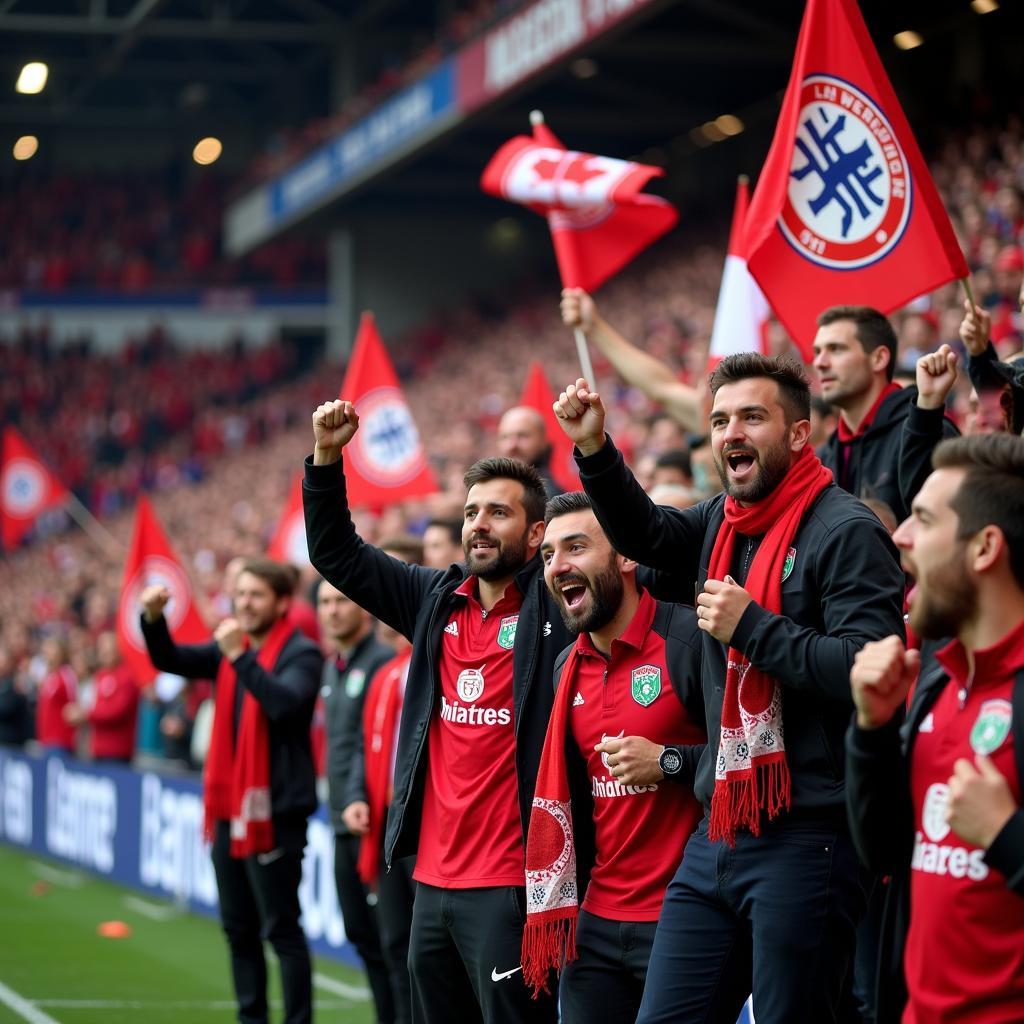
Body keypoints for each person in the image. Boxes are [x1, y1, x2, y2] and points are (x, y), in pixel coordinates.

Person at [553, 354, 905, 1024]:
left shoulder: (847, 530)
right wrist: (595, 448)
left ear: (800, 434)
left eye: (751, 416)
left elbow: (871, 667)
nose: (730, 433)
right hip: (722, 828)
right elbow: (647, 536)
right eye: (719, 420)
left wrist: (756, 629)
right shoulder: (722, 520)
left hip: (810, 835)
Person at [302, 397, 574, 1023]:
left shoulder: (560, 608)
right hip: (431, 882)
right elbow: (336, 555)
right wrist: (325, 460)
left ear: (536, 534)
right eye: (472, 511)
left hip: (512, 886)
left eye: (499, 513)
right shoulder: (433, 598)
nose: (479, 524)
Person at [847, 434, 1024, 1024]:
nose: (899, 536)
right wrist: (870, 733)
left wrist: (1006, 835)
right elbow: (888, 853)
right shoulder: (939, 685)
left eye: (922, 519)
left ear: (984, 549)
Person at [523, 491, 706, 1022]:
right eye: (549, 555)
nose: (559, 567)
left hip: (683, 918)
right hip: (596, 922)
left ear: (626, 556)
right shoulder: (565, 669)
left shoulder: (690, 640)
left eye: (576, 547)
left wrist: (668, 761)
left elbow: (742, 757)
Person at [139, 557, 321, 1024]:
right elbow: (170, 660)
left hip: (276, 814)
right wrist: (154, 620)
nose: (244, 603)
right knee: (238, 930)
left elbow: (284, 705)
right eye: (240, 594)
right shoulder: (227, 647)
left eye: (256, 595)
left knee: (281, 930)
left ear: (281, 603)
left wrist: (240, 656)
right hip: (227, 812)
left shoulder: (301, 653)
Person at [317, 578, 396, 1024]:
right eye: (325, 602)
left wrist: (357, 796)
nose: (332, 611)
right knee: (360, 934)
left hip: (373, 822)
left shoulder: (382, 663)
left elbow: (376, 747)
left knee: (389, 942)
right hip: (340, 819)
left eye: (341, 601)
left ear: (363, 606)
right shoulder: (336, 665)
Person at [812, 305, 960, 522]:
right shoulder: (823, 458)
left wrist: (927, 413)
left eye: (836, 349)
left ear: (879, 358)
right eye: (817, 352)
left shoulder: (930, 429)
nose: (820, 363)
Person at [560, 289, 703, 432]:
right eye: (719, 422)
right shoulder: (714, 415)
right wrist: (594, 327)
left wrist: (594, 327)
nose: (726, 434)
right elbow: (661, 389)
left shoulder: (718, 415)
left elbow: (662, 389)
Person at [63, 631, 139, 764]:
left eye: (108, 649)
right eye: (102, 648)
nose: (104, 652)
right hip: (97, 748)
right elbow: (94, 704)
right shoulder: (100, 675)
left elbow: (116, 711)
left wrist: (86, 715)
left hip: (117, 751)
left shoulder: (127, 677)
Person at [497, 405, 560, 497]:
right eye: (505, 437)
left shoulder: (553, 500)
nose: (512, 445)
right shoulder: (487, 491)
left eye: (522, 436)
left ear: (543, 441)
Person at [35, 634, 78, 753]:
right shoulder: (48, 677)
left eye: (52, 649)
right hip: (45, 740)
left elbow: (73, 706)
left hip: (60, 741)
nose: (49, 653)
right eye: (46, 649)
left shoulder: (66, 675)